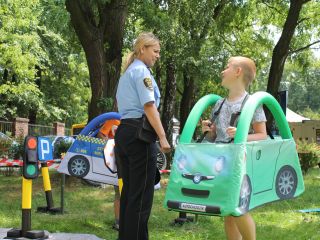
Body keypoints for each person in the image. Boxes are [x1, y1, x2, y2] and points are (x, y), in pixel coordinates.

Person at [201, 56, 267, 240]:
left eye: (227, 67)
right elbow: (214, 137)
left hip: (240, 163)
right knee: (228, 211)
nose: (223, 71)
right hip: (221, 162)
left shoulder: (252, 103)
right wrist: (208, 130)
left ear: (238, 72)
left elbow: (262, 134)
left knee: (238, 208)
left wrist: (241, 134)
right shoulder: (219, 104)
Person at [115, 32, 171, 240]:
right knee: (141, 198)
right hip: (140, 135)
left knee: (130, 194)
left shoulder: (128, 72)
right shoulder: (142, 73)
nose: (158, 56)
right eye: (155, 51)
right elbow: (149, 106)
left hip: (125, 132)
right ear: (142, 49)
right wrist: (163, 137)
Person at [96, 119, 121, 231]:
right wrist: (110, 145)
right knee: (119, 193)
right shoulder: (114, 119)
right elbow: (101, 134)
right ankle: (118, 222)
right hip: (118, 162)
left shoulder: (136, 118)